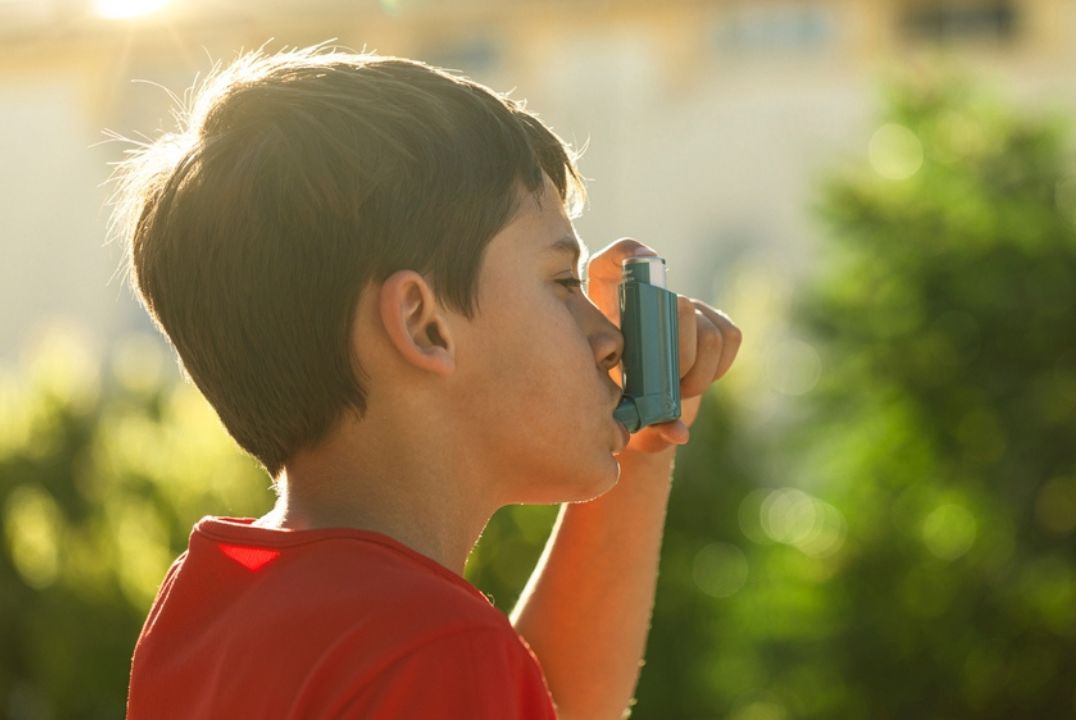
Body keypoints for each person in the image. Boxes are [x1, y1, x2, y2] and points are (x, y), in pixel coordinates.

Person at [113, 44, 741, 719]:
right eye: (563, 282)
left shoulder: (212, 608)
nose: (610, 338)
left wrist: (645, 438)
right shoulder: (435, 648)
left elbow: (543, 703)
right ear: (424, 325)